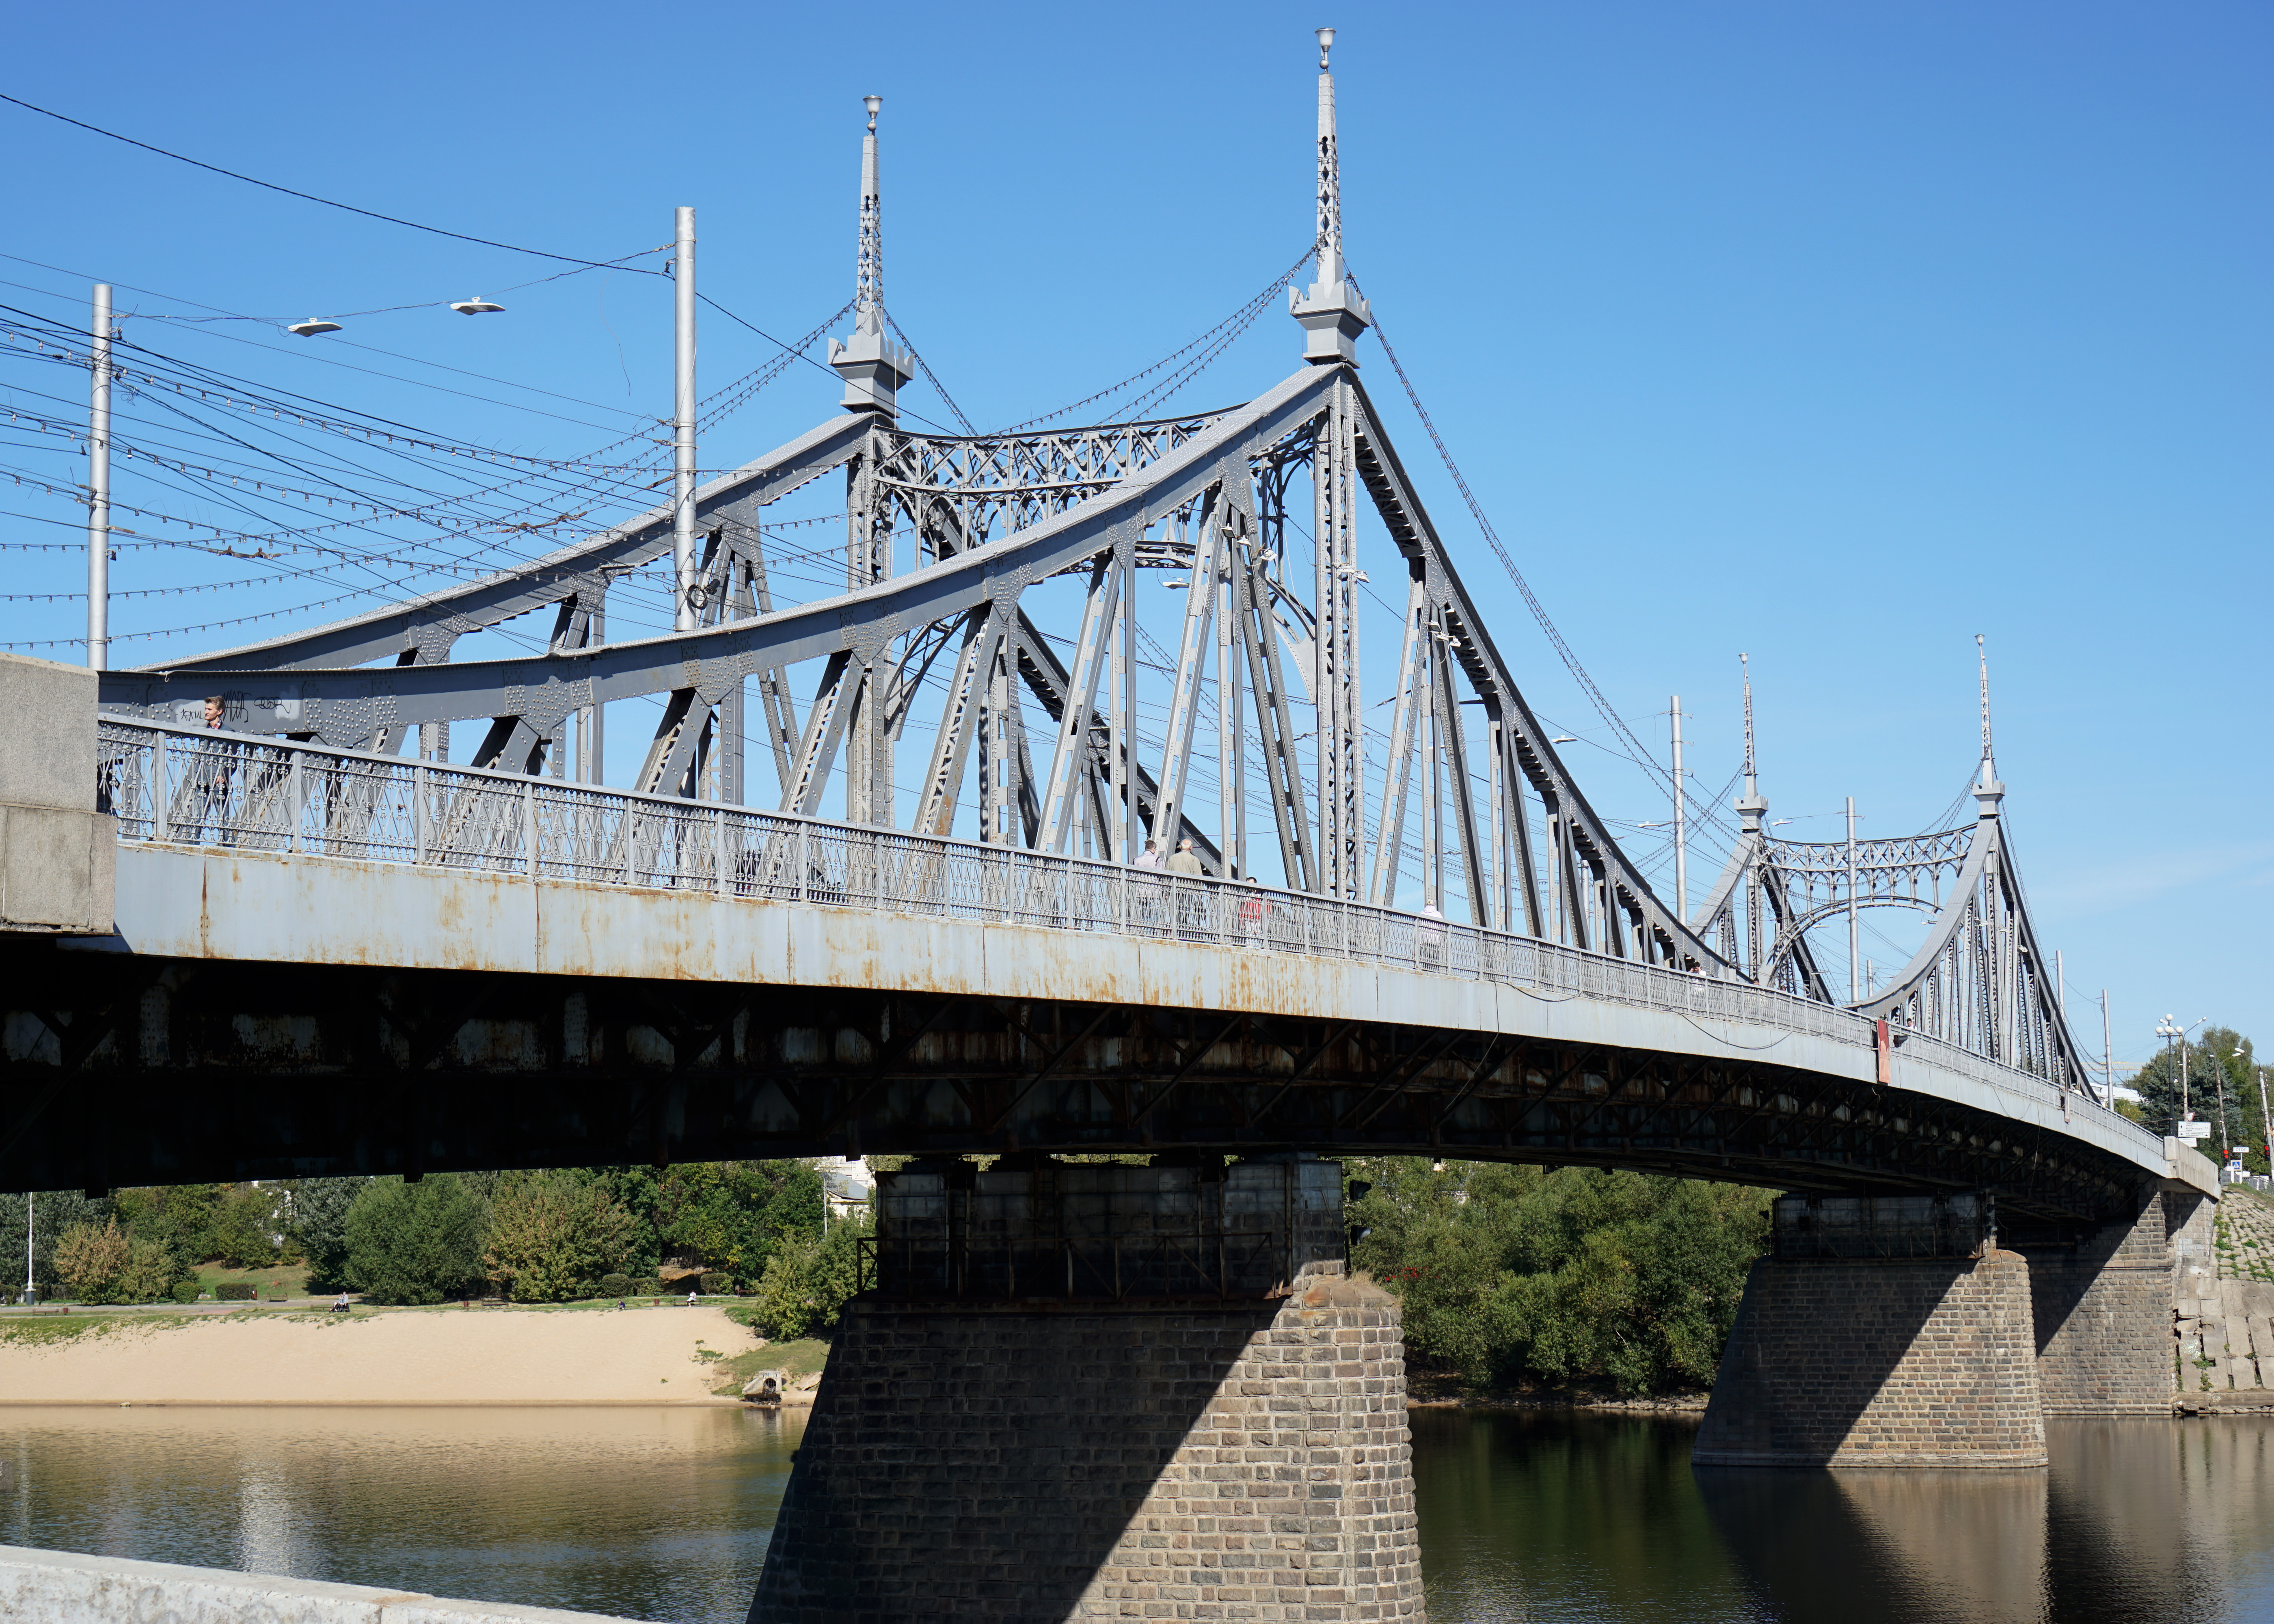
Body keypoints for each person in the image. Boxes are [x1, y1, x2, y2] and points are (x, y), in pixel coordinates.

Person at [1166, 837, 1206, 933]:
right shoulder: (1194, 859)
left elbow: (1167, 876)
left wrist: (1167, 891)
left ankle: (1176, 930)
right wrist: (1200, 894)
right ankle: (1183, 931)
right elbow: (1198, 878)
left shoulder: (1172, 858)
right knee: (1186, 910)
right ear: (1191, 848)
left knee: (1176, 910)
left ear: (1180, 847)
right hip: (1188, 890)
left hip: (1175, 889)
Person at [1237, 875, 1268, 946]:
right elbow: (1243, 909)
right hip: (1248, 920)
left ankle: (1264, 949)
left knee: (1261, 938)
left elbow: (1267, 906)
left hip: (1258, 920)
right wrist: (1242, 922)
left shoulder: (1261, 895)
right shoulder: (1246, 895)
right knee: (1249, 940)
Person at [1417, 901, 1447, 968]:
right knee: (1434, 956)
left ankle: (1426, 968)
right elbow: (1443, 927)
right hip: (1434, 939)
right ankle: (1434, 969)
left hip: (1424, 939)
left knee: (1426, 956)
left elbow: (1418, 927)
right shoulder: (1437, 914)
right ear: (1434, 905)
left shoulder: (1421, 913)